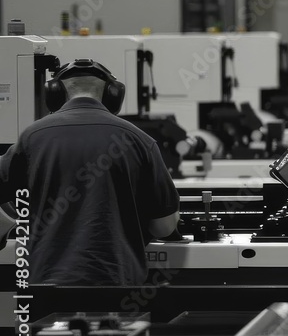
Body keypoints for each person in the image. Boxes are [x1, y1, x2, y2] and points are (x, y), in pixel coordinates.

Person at [0, 60, 180, 286]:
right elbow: (164, 227)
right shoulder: (140, 140)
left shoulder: (31, 138)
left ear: (54, 94)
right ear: (113, 94)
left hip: (46, 282)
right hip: (117, 282)